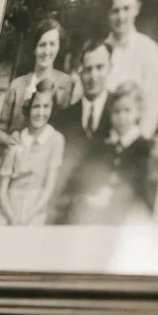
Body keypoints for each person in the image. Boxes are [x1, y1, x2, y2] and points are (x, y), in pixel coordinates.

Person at [64, 81, 156, 225]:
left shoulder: (142, 148)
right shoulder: (104, 145)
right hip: (100, 209)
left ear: (138, 112)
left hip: (128, 210)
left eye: (127, 110)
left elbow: (140, 186)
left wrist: (114, 198)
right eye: (117, 111)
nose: (121, 117)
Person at [50, 39, 113, 221]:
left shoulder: (121, 113)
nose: (93, 76)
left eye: (100, 68)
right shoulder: (63, 119)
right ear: (80, 72)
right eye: (88, 69)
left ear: (110, 68)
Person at [0, 18, 75, 154]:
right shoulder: (17, 85)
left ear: (59, 47)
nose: (47, 51)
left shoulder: (66, 84)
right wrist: (8, 140)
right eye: (42, 45)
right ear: (34, 48)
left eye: (52, 44)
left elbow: (67, 133)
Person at [0, 79, 66, 227]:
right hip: (8, 208)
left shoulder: (56, 140)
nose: (40, 113)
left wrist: (27, 217)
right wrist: (12, 218)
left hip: (35, 209)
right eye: (36, 107)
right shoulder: (16, 139)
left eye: (46, 107)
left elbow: (48, 189)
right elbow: (2, 191)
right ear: (28, 108)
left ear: (52, 109)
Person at [105, 0, 158, 138]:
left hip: (133, 138)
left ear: (137, 9)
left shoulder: (149, 49)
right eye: (115, 10)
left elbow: (152, 103)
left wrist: (138, 143)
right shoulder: (101, 50)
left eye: (126, 9)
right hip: (102, 138)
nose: (121, 16)